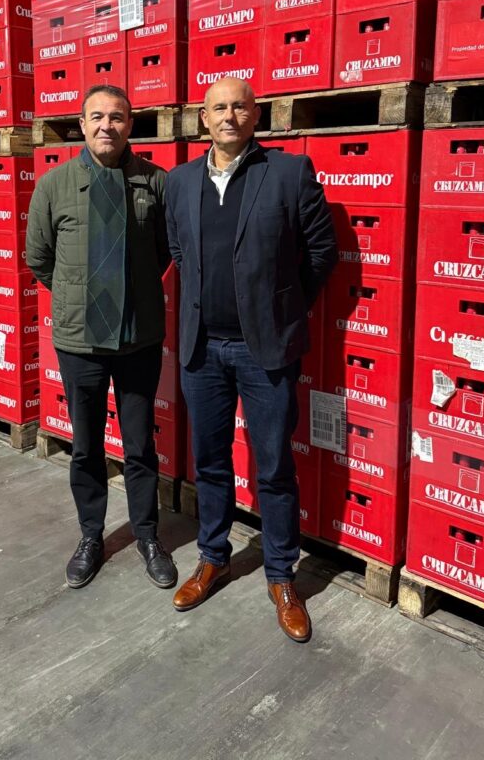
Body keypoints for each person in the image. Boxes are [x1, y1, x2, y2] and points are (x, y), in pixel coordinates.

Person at [165, 77, 336, 641]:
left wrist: (283, 309)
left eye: (239, 106)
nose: (229, 116)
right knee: (210, 460)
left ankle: (282, 576)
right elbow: (178, 250)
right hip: (201, 350)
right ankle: (213, 557)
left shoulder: (288, 173)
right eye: (218, 108)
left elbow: (321, 251)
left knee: (274, 466)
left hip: (264, 351)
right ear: (203, 118)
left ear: (255, 114)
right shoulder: (180, 181)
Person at [26, 84, 177, 591]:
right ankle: (92, 535)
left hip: (139, 340)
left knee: (139, 445)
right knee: (86, 446)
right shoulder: (54, 185)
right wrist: (82, 294)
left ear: (129, 124)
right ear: (82, 124)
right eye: (97, 117)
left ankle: (148, 535)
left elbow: (165, 252)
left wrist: (129, 292)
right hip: (80, 344)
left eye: (116, 117)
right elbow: (39, 257)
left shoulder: (155, 182)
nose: (106, 126)